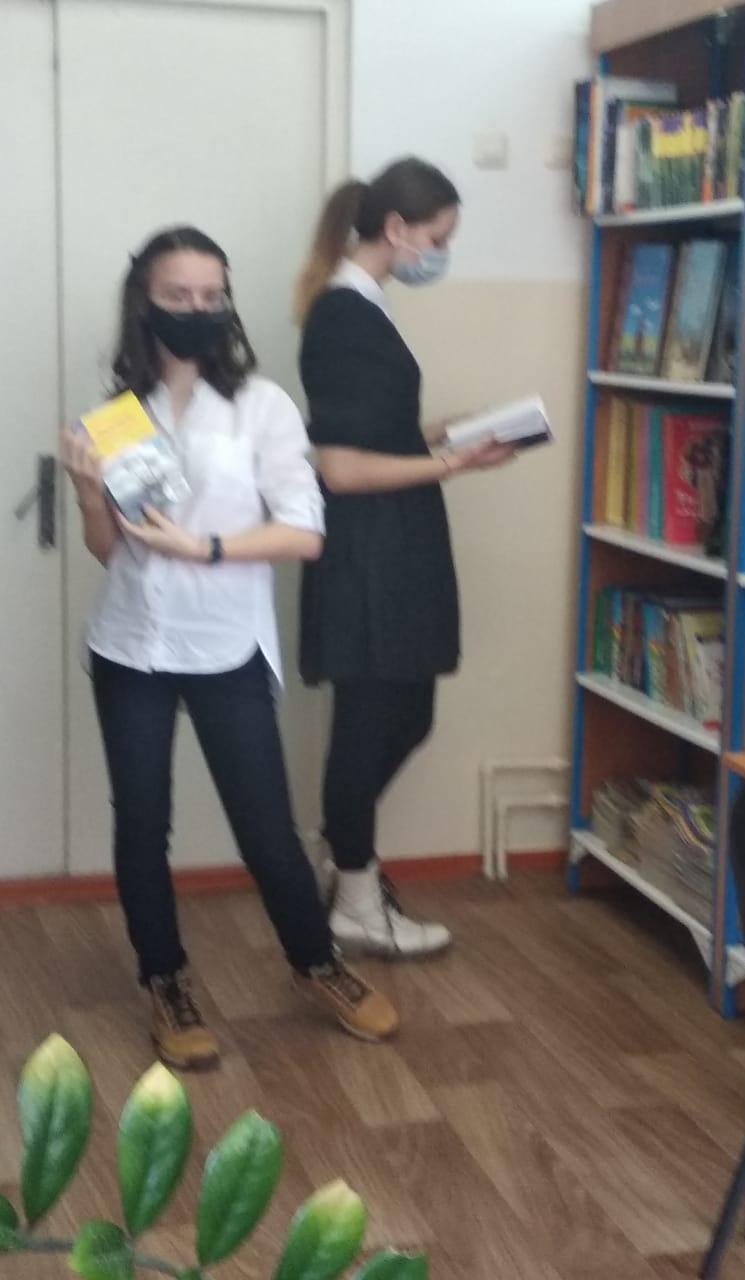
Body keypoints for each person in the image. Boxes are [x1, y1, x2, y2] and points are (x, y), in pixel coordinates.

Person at [61, 226, 398, 1069]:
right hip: (131, 644)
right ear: (145, 303)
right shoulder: (115, 415)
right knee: (142, 824)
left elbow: (305, 532)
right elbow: (107, 549)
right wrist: (88, 492)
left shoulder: (262, 407)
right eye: (180, 296)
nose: (199, 310)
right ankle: (165, 982)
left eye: (213, 296)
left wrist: (204, 547)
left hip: (226, 647)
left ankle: (317, 963)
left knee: (267, 829)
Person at [295, 157, 514, 959]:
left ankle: (344, 855)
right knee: (370, 723)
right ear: (396, 229)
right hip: (369, 554)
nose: (442, 253)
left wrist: (444, 434)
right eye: (439, 238)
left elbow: (371, 436)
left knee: (406, 714)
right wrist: (453, 464)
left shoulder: (362, 306)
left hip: (392, 547)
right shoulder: (344, 315)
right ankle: (355, 896)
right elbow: (341, 467)